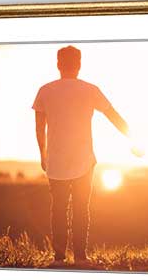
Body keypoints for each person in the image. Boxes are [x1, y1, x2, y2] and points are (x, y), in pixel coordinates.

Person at [33, 46, 130, 265]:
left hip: (56, 160)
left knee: (58, 210)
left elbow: (40, 128)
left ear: (58, 64)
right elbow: (113, 115)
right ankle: (80, 257)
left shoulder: (45, 90)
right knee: (81, 209)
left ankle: (59, 258)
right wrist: (133, 138)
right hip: (84, 160)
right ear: (79, 64)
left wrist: (43, 154)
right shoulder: (90, 89)